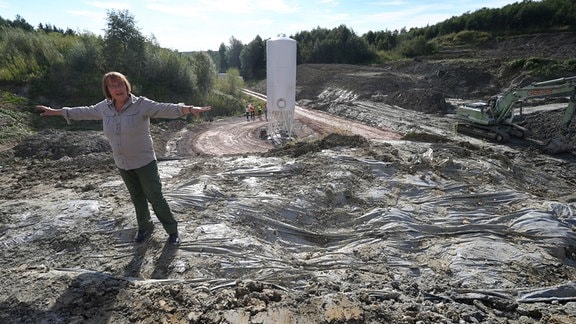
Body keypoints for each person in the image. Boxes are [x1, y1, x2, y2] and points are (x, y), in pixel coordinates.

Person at [36, 71, 211, 247]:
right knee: (137, 198)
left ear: (126, 86)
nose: (117, 89)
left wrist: (188, 109)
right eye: (113, 86)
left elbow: (164, 108)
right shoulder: (104, 107)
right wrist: (55, 112)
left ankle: (172, 231)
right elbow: (82, 111)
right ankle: (145, 227)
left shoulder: (141, 104)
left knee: (155, 197)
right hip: (123, 163)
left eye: (120, 84)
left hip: (144, 162)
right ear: (108, 90)